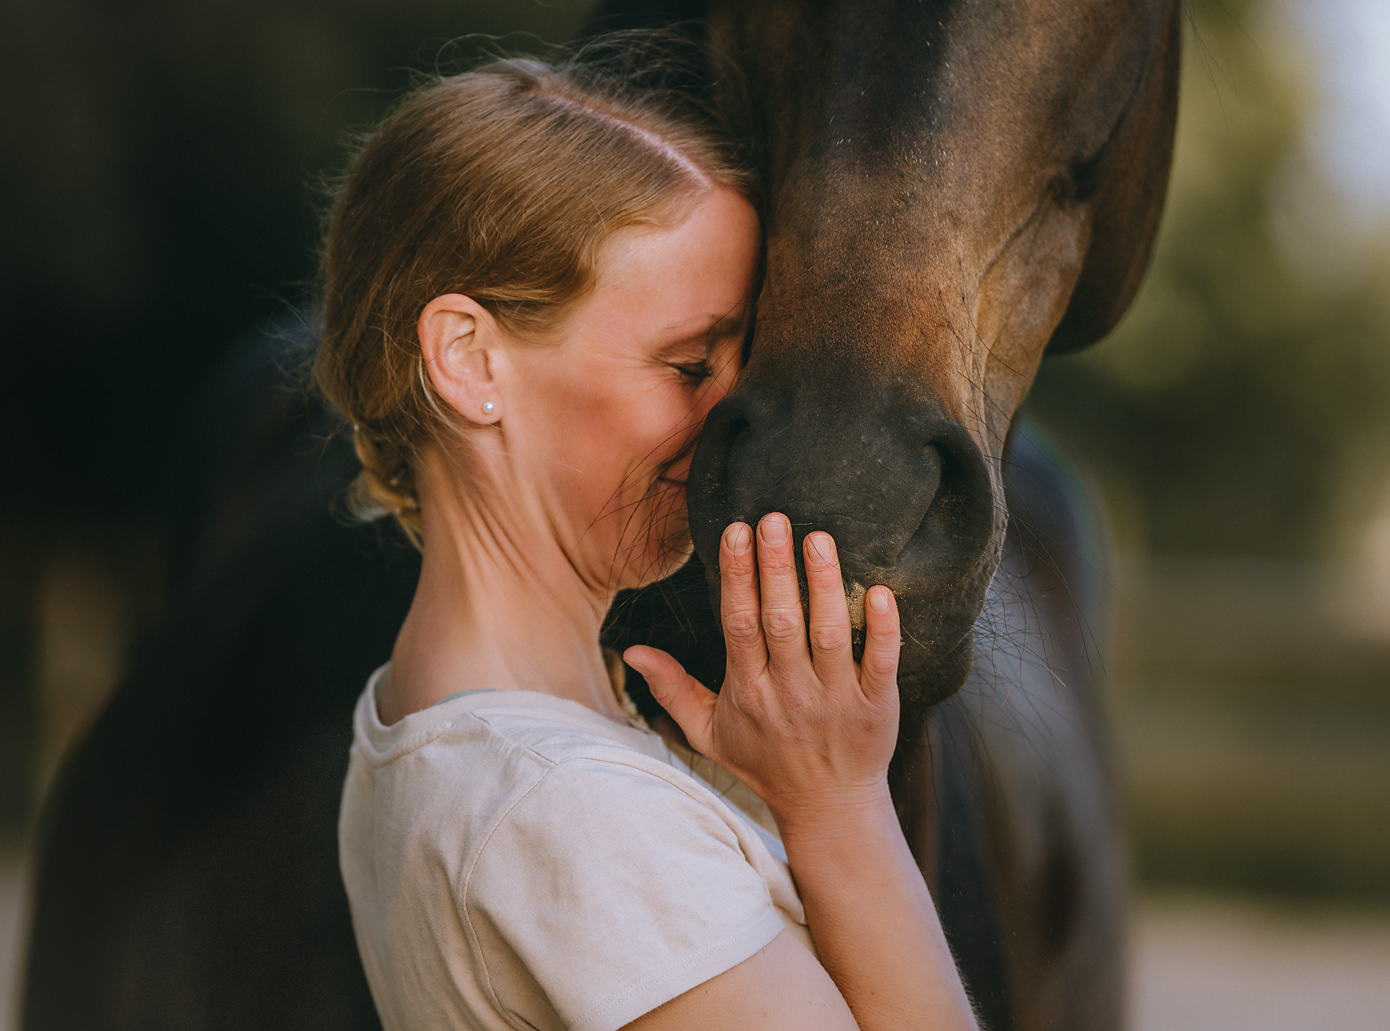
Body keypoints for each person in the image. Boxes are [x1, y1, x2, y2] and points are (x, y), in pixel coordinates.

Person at [315, 54, 979, 1031]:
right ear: (467, 359)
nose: (731, 417)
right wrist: (839, 811)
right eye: (688, 364)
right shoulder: (567, 812)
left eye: (739, 361)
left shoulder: (423, 726)